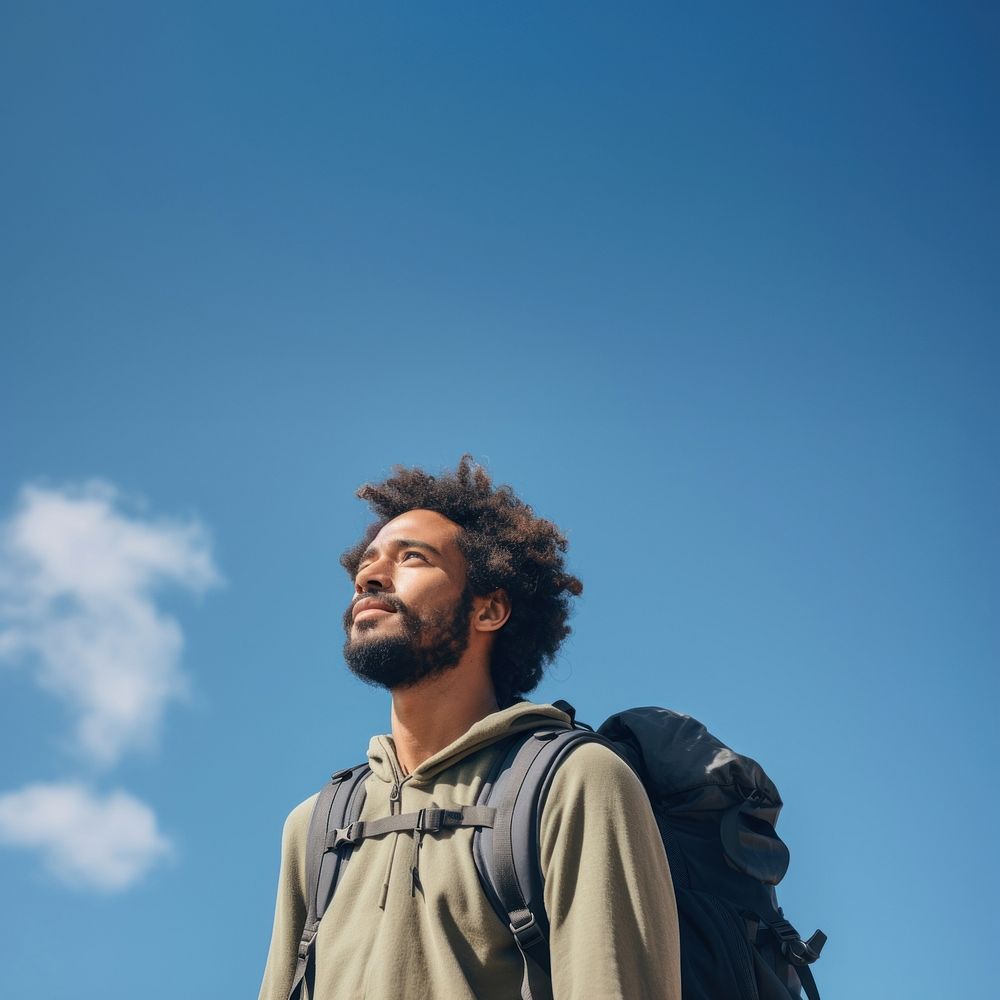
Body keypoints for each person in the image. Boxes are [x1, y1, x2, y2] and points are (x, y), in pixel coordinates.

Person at [257, 457, 681, 1000]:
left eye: (412, 557)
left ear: (489, 610)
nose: (370, 576)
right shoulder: (313, 828)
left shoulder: (575, 782)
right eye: (367, 564)